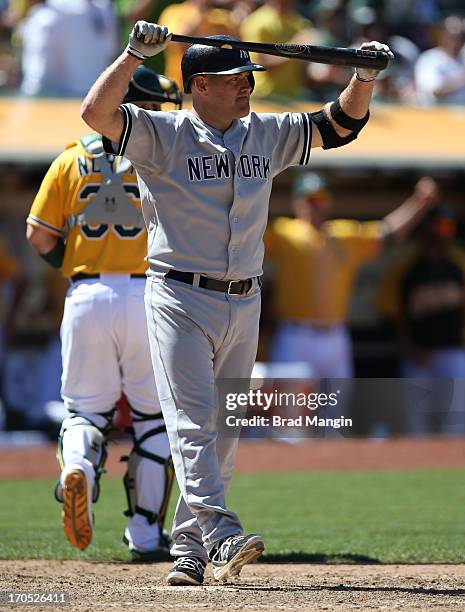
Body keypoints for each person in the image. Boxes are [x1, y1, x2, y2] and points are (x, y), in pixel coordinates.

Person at [79, 20, 393, 585]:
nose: (246, 86)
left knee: (223, 430)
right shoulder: (163, 133)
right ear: (199, 86)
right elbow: (95, 115)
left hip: (244, 298)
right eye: (232, 79)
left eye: (246, 77)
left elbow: (340, 124)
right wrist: (130, 57)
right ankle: (221, 534)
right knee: (194, 423)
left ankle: (189, 551)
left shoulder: (265, 133)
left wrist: (362, 78)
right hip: (178, 294)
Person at [26, 66, 183, 561]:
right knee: (155, 421)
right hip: (148, 296)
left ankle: (79, 464)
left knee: (84, 411)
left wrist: (75, 262)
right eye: (156, 106)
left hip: (86, 293)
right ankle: (144, 534)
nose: (162, 115)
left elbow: (39, 236)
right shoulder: (164, 159)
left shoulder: (71, 159)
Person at [265, 173, 440, 378]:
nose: (315, 205)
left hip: (336, 336)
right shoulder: (283, 231)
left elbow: (387, 233)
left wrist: (419, 203)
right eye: (309, 199)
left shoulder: (343, 234)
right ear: (297, 202)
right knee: (289, 405)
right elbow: (246, 239)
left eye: (320, 199)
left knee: (336, 406)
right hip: (295, 335)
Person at [377, 200, 465, 435]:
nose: (441, 233)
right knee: (416, 425)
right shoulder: (406, 264)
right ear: (426, 228)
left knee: (455, 424)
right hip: (418, 356)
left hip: (454, 353)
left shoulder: (458, 262)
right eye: (437, 226)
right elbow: (389, 313)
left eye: (447, 227)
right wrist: (409, 347)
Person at [414, 15, 465, 105]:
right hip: (437, 114)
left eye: (461, 36)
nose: (457, 41)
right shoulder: (429, 59)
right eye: (453, 37)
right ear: (441, 36)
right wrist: (461, 79)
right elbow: (434, 89)